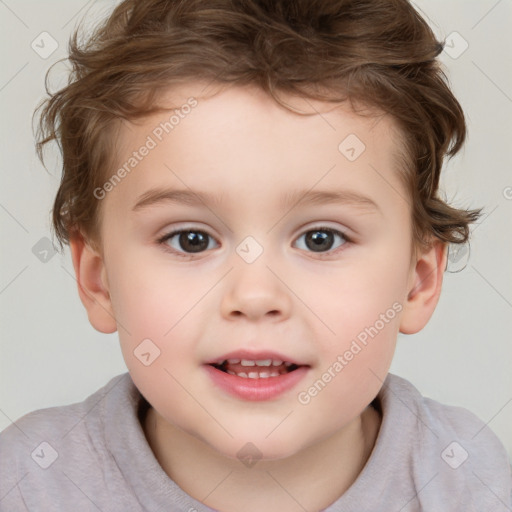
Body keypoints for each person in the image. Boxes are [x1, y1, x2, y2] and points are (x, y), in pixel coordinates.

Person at [1, 0, 510, 510]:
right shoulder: (28, 483)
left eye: (321, 239)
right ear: (98, 280)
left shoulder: (470, 482)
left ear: (418, 281)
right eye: (191, 239)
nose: (255, 296)